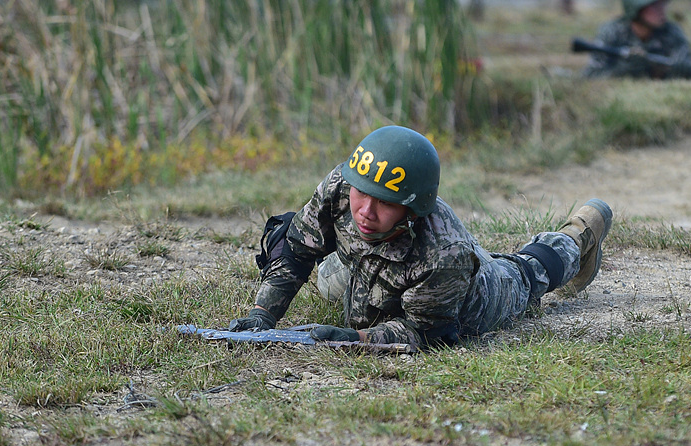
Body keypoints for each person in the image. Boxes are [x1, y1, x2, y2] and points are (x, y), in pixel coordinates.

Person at [228, 125, 613, 349]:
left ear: (412, 210)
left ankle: (578, 237)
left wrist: (359, 338)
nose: (365, 211)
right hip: (370, 268)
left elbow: (424, 333)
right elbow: (296, 249)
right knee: (329, 282)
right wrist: (262, 314)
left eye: (384, 203)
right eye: (362, 194)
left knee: (525, 275)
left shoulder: (444, 254)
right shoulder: (343, 183)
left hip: (465, 302)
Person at [583, 0, 691, 79]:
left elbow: (684, 64)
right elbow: (591, 75)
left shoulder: (672, 32)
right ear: (635, 9)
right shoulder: (612, 32)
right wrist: (622, 71)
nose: (662, 10)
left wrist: (677, 71)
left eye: (663, 3)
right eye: (654, 5)